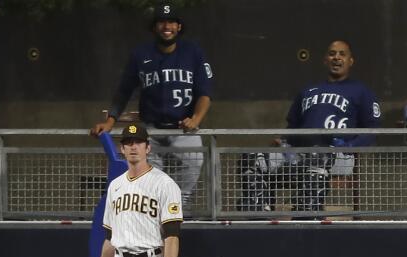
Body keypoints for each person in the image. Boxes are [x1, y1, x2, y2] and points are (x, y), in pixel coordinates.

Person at [90, 4, 213, 207]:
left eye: (172, 22)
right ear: (154, 27)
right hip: (151, 132)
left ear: (179, 27)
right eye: (162, 22)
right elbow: (123, 91)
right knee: (149, 192)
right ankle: (152, 230)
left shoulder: (193, 52)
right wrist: (110, 121)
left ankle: (174, 227)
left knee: (182, 193)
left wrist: (196, 119)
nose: (167, 26)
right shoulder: (141, 54)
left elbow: (205, 93)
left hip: (184, 131)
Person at [244, 40, 381, 213]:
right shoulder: (308, 90)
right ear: (325, 60)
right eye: (332, 54)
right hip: (299, 154)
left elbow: (373, 130)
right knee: (252, 157)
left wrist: (350, 146)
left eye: (342, 54)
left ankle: (306, 214)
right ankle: (257, 214)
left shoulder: (361, 91)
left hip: (338, 156)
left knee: (318, 154)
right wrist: (284, 140)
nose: (336, 57)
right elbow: (293, 126)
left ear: (351, 61)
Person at [94, 123, 182, 257]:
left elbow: (172, 236)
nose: (133, 146)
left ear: (147, 148)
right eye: (128, 142)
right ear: (122, 149)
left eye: (138, 142)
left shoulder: (165, 184)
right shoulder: (115, 186)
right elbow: (110, 238)